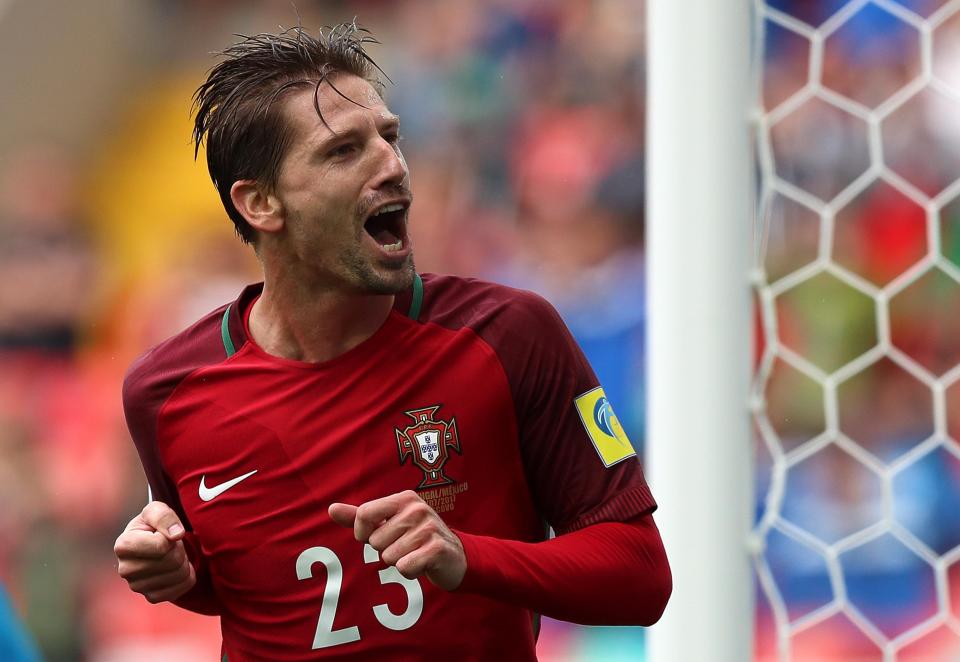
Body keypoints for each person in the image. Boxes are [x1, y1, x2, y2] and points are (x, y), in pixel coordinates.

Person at [113, 21, 671, 661]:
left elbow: (640, 574)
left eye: (391, 136)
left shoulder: (509, 336)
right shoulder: (165, 392)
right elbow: (244, 579)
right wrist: (178, 573)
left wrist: (471, 557)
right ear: (260, 204)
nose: (393, 164)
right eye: (344, 151)